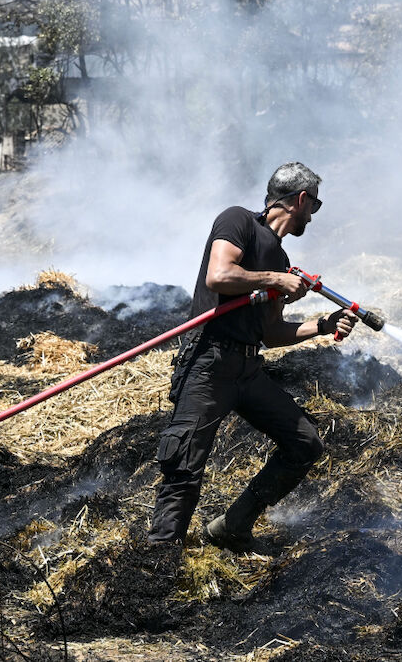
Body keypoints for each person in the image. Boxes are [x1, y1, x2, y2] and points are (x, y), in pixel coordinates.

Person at [145, 162, 359, 552]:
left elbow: (271, 333)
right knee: (185, 467)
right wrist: (276, 280)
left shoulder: (279, 258)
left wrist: (323, 325)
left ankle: (232, 526)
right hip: (209, 361)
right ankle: (159, 558)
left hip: (247, 368)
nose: (313, 216)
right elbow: (219, 275)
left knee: (304, 443)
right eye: (314, 205)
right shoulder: (238, 220)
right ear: (301, 199)